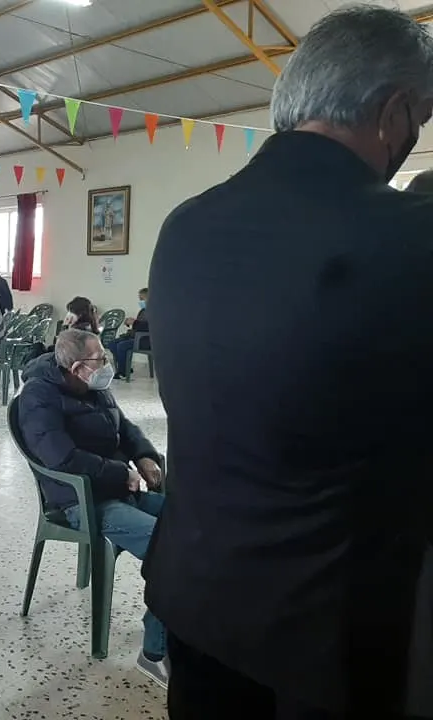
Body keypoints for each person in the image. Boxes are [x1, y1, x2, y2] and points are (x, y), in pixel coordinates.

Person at [145, 7, 433, 719]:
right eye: (422, 116)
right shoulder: (405, 240)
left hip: (197, 596)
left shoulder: (186, 223)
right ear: (395, 113)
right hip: (322, 633)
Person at [18, 329, 168, 688]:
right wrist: (121, 474)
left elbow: (125, 427)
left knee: (194, 526)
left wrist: (144, 456)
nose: (106, 365)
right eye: (99, 359)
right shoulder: (38, 396)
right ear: (76, 367)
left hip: (116, 488)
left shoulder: (94, 386)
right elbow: (62, 457)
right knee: (169, 549)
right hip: (77, 500)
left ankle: (174, 618)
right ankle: (155, 652)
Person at [108, 288, 148, 379]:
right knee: (113, 343)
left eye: (142, 299)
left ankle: (123, 372)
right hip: (135, 336)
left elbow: (149, 327)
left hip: (145, 340)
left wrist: (134, 323)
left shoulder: (155, 312)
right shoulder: (143, 311)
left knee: (122, 346)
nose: (140, 301)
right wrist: (130, 323)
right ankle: (126, 367)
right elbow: (139, 325)